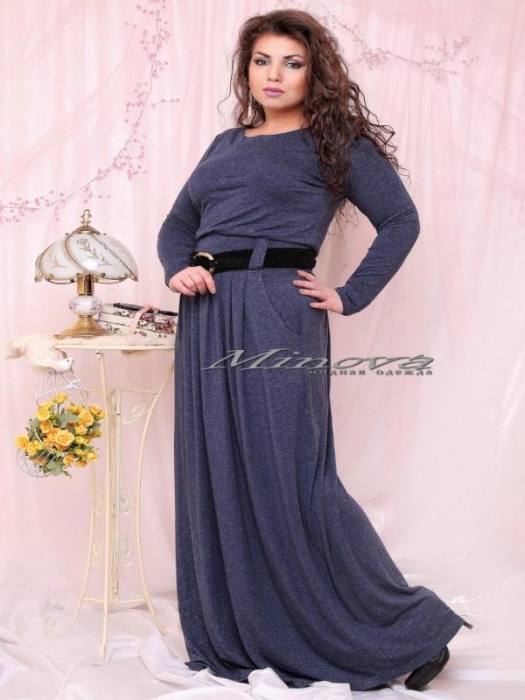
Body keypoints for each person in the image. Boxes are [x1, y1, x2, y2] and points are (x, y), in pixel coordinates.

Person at [157, 8, 473, 692]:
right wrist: (178, 267)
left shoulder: (336, 142)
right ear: (246, 69)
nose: (274, 75)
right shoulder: (223, 145)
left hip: (277, 310)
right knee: (218, 470)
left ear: (314, 73)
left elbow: (400, 220)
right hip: (206, 315)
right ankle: (248, 627)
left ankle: (412, 629)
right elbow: (177, 225)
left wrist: (349, 294)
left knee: (295, 478)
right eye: (262, 61)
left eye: (291, 63)